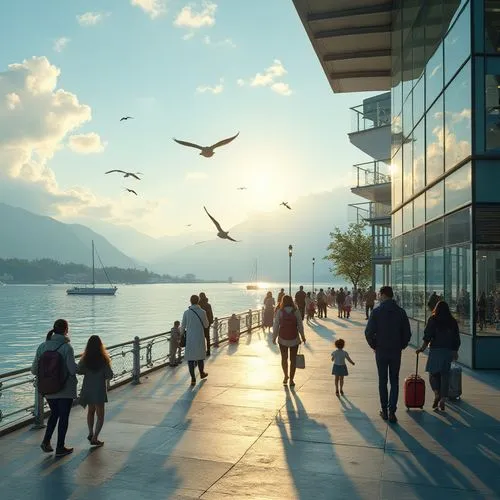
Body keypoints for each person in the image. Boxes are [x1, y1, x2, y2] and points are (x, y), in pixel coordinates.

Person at [365, 286, 411, 423]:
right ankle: (392, 411)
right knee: (394, 380)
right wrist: (401, 346)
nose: (378, 297)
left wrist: (375, 345)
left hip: (381, 350)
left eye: (379, 294)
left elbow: (368, 333)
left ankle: (384, 410)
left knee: (382, 380)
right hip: (395, 351)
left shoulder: (377, 312)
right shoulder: (401, 312)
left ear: (384, 295)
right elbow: (407, 334)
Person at [31, 319, 77, 457]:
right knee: (63, 417)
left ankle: (46, 441)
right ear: (66, 330)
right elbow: (72, 370)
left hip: (48, 389)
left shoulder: (42, 346)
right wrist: (82, 367)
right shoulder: (67, 348)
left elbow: (34, 370)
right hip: (65, 389)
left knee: (54, 414)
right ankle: (60, 447)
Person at [416, 301, 461, 411]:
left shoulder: (433, 320)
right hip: (448, 351)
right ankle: (443, 399)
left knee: (433, 373)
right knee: (445, 375)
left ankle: (436, 393)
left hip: (436, 350)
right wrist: (455, 351)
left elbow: (428, 336)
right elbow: (456, 338)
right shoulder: (452, 321)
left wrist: (422, 348)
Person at [77, 335, 114, 447]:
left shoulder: (85, 359)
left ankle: (90, 432)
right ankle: (95, 437)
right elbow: (109, 375)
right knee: (100, 415)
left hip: (87, 388)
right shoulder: (104, 360)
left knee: (90, 411)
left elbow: (79, 371)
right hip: (98, 390)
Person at [273, 295, 306, 387]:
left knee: (284, 358)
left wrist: (274, 337)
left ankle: (285, 376)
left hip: (282, 339)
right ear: (292, 301)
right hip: (294, 339)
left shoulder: (280, 311)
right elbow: (300, 325)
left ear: (283, 301)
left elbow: (276, 325)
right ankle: (291, 379)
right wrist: (303, 336)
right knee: (293, 360)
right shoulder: (296, 311)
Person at [181, 295, 210, 386]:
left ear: (190, 301)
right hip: (199, 337)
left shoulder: (186, 312)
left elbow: (183, 326)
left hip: (190, 338)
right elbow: (206, 325)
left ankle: (193, 379)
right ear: (198, 301)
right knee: (200, 357)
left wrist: (181, 335)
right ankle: (201, 373)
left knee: (191, 358)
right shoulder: (203, 312)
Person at [199, 292, 214, 356]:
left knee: (200, 337)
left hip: (200, 324)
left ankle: (201, 350)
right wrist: (210, 322)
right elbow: (211, 314)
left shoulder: (199, 305)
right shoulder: (208, 305)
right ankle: (208, 351)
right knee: (207, 337)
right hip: (207, 323)